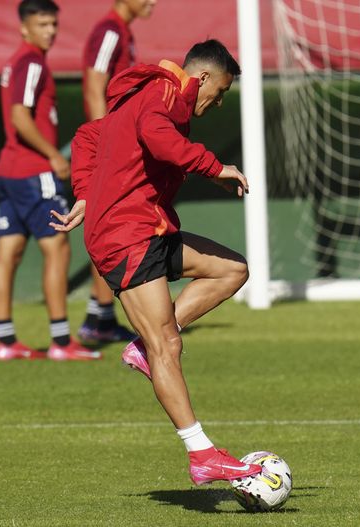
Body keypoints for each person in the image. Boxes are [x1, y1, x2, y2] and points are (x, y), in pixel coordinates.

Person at [50, 40, 262, 484]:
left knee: (232, 269)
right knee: (167, 344)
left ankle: (142, 347)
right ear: (202, 77)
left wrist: (86, 192)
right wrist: (213, 166)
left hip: (150, 226)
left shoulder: (152, 95)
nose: (218, 102)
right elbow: (157, 137)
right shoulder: (165, 92)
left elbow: (89, 136)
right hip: (126, 233)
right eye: (220, 92)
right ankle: (202, 454)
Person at [0, 0, 100, 362]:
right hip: (33, 172)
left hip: (8, 172)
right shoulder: (32, 62)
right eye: (42, 24)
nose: (50, 31)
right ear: (24, 27)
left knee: (9, 252)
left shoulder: (16, 62)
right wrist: (53, 155)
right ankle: (61, 341)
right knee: (58, 248)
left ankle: (6, 340)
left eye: (53, 24)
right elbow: (20, 117)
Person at [77, 0, 157, 345]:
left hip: (117, 144)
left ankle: (101, 316)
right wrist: (104, 139)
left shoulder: (123, 32)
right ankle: (100, 318)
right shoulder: (109, 30)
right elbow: (94, 85)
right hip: (109, 146)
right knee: (112, 227)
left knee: (114, 224)